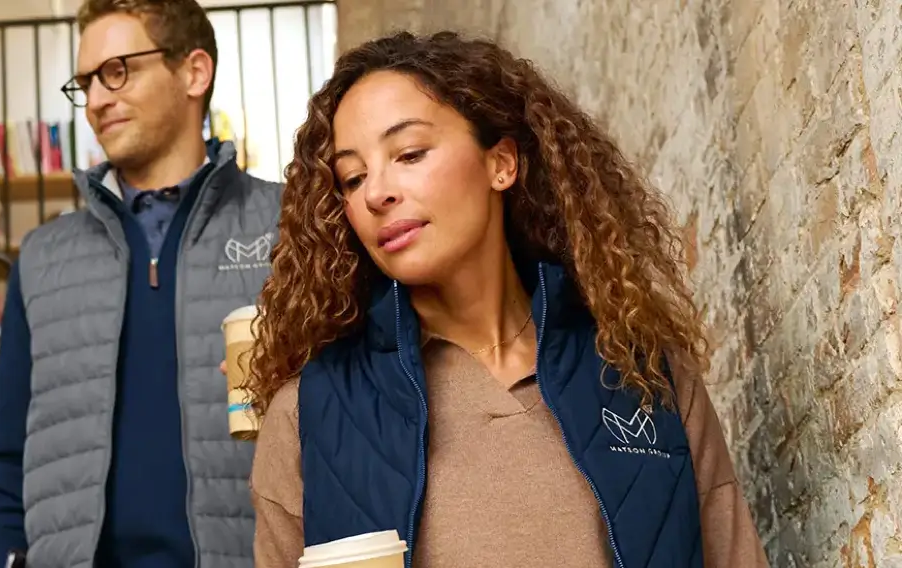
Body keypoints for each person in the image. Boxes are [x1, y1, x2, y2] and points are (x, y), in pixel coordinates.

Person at [243, 32, 769, 567]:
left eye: (409, 153)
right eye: (352, 178)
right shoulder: (308, 414)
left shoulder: (646, 373)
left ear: (502, 164)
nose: (376, 193)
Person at [0, 0, 281, 566]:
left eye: (118, 71)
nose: (95, 100)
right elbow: (6, 465)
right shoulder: (43, 259)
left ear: (194, 72)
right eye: (85, 81)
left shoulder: (287, 226)